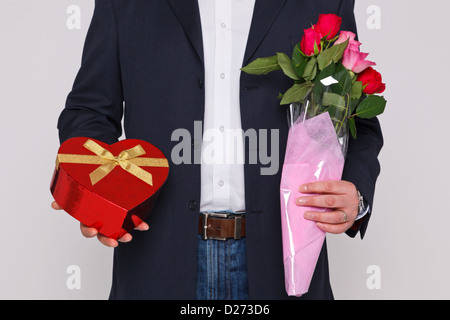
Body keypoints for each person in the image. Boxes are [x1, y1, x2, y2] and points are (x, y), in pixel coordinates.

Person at [52, 0, 383, 300]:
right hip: (158, 260)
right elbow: (90, 112)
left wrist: (357, 194)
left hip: (283, 262)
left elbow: (357, 119)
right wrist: (95, 194)